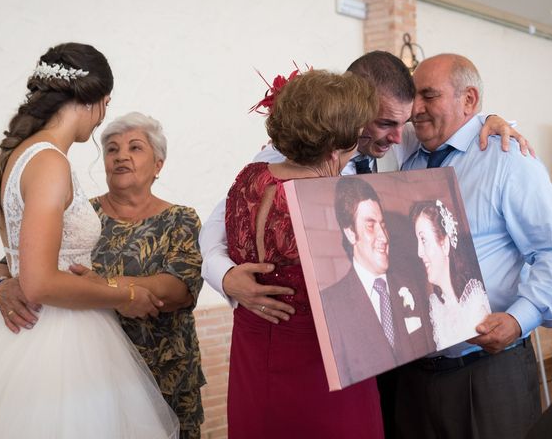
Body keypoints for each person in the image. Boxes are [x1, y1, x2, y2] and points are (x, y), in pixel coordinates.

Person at [199, 51, 530, 438]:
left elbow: (453, 123)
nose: (397, 136)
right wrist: (226, 278)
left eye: (403, 124)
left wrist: (490, 121)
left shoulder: (397, 142)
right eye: (385, 122)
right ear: (354, 113)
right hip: (324, 358)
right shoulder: (278, 160)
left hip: (399, 355)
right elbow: (216, 231)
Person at [0, 44, 179, 438]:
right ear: (93, 101)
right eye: (106, 103)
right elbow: (39, 282)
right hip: (61, 346)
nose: (103, 114)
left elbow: (17, 263)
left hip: (23, 338)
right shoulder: (50, 161)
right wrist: (126, 295)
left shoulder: (20, 156)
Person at [0, 112, 206, 439]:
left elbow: (178, 289)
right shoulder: (82, 217)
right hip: (89, 374)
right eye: (112, 149)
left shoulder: (180, 219)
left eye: (135, 147)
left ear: (158, 164)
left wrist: (107, 287)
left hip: (164, 373)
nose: (121, 156)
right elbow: (10, 261)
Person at [397, 53, 552, 439]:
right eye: (413, 96)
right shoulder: (407, 157)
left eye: (429, 96)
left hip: (487, 371)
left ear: (469, 100)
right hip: (412, 377)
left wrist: (518, 320)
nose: (416, 108)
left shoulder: (509, 160)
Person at [225, 69, 384, 438]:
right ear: (334, 148)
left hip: (254, 345)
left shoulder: (248, 178)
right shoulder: (330, 201)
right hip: (319, 364)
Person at [320, 176, 433, 386]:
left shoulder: (411, 286)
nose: (384, 236)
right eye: (371, 226)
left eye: (383, 225)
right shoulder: (331, 305)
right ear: (351, 233)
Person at [409, 200, 490, 351]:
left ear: (445, 244)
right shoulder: (435, 307)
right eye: (417, 241)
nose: (419, 252)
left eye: (424, 240)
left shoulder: (475, 300)